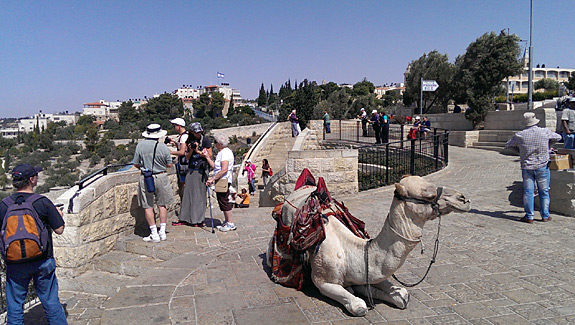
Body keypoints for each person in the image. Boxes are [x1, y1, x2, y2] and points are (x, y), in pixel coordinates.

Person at [0, 164, 67, 324]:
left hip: (14, 263)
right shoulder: (42, 202)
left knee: (15, 306)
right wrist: (58, 215)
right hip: (43, 260)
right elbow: (59, 230)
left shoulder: (4, 205)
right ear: (32, 180)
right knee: (51, 301)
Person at [505, 112, 562, 223]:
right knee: (544, 191)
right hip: (542, 165)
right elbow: (558, 137)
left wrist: (519, 151)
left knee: (528, 192)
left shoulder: (520, 135)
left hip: (527, 166)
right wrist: (548, 146)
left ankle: (529, 216)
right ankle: (545, 215)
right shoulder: (544, 131)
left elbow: (508, 145)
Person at [133, 124, 174, 242]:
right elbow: (169, 164)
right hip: (161, 177)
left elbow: (136, 163)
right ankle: (162, 232)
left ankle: (154, 233)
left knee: (148, 206)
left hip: (147, 178)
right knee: (162, 204)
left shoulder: (140, 146)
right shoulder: (163, 147)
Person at [175, 122, 212, 227]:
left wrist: (198, 151)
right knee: (188, 193)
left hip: (201, 169)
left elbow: (209, 155)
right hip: (191, 168)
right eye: (196, 132)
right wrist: (191, 150)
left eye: (199, 132)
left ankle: (198, 219)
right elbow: (187, 157)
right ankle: (186, 218)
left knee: (199, 195)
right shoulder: (189, 140)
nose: (198, 134)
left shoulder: (205, 140)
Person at [205, 133, 236, 232]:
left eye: (215, 142)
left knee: (224, 200)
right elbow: (215, 167)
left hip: (223, 179)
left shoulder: (225, 153)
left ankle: (230, 223)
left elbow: (224, 169)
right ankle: (227, 221)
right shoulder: (222, 152)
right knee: (222, 200)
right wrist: (207, 157)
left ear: (219, 143)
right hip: (222, 179)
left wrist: (212, 179)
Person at [167, 118, 189, 201]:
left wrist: (171, 152)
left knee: (185, 187)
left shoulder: (183, 137)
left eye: (174, 126)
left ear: (179, 126)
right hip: (186, 164)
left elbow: (182, 152)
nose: (173, 128)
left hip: (184, 165)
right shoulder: (185, 135)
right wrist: (175, 143)